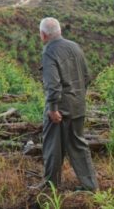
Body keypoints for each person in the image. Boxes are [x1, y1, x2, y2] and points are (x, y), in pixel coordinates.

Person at [38, 17, 98, 191]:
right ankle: (91, 186)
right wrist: (78, 97)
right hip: (78, 105)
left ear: (43, 35)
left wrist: (53, 108)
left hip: (60, 109)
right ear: (59, 31)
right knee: (79, 145)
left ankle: (51, 186)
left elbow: (53, 84)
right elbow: (86, 76)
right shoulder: (74, 47)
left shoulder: (49, 51)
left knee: (52, 147)